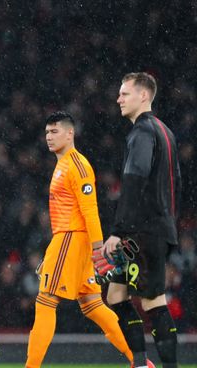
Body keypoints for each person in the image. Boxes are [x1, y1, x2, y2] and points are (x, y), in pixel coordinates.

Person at [25, 111, 133, 367]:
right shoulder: (64, 164)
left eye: (55, 131)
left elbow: (90, 210)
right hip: (72, 241)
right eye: (47, 132)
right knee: (93, 305)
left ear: (70, 133)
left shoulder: (77, 165)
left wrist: (98, 250)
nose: (49, 137)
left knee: (45, 301)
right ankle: (139, 360)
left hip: (70, 239)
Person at [103, 73, 182, 368]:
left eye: (125, 94)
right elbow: (177, 183)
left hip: (144, 232)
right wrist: (169, 223)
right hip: (155, 228)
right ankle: (140, 363)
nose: (119, 99)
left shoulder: (142, 132)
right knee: (116, 295)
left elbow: (134, 180)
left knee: (153, 301)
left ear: (144, 96)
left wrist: (118, 230)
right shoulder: (165, 132)